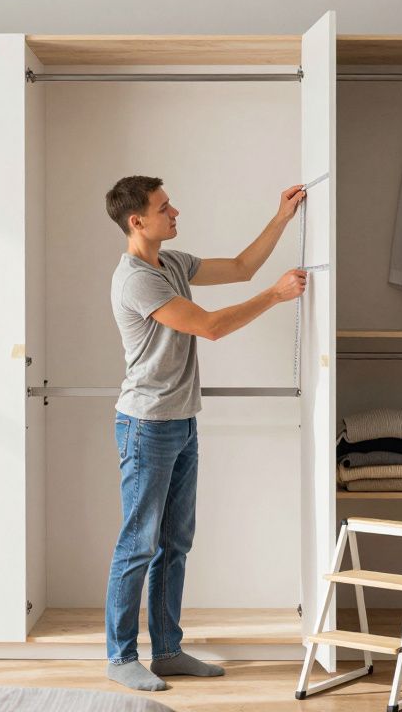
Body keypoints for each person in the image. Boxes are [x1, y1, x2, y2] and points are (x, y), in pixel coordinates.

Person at [104, 175, 307, 691]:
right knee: (138, 544)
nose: (176, 212)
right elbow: (210, 326)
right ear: (137, 221)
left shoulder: (172, 263)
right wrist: (276, 296)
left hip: (181, 420)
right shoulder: (136, 280)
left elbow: (241, 267)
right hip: (146, 425)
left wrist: (281, 217)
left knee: (175, 542)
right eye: (164, 207)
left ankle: (167, 651)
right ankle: (120, 656)